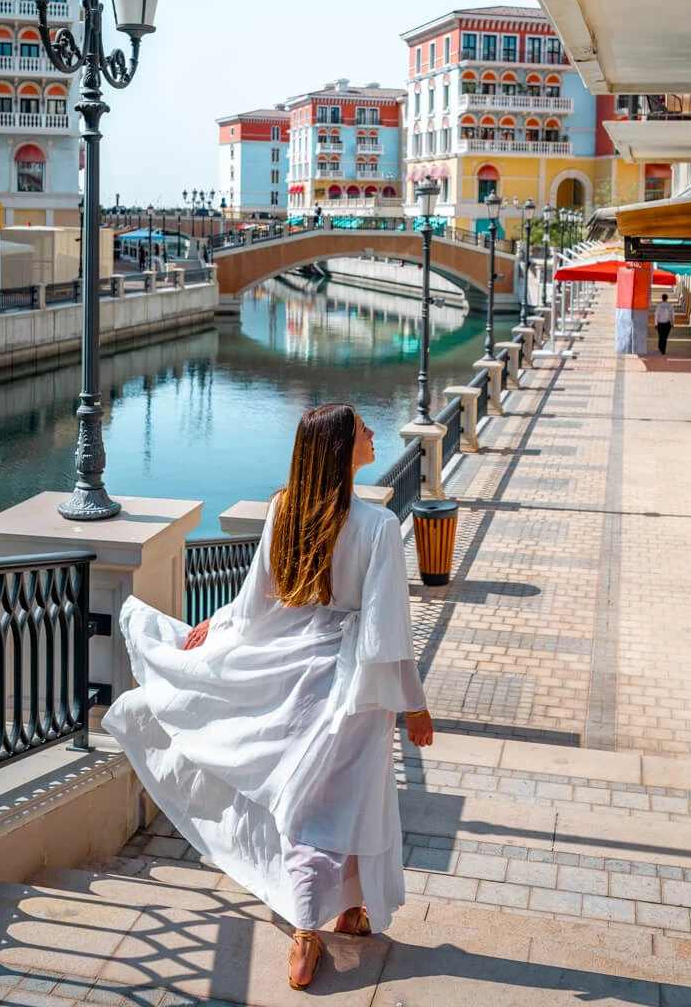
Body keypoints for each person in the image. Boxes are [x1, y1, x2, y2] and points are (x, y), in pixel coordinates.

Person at [102, 404, 433, 992]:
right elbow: (387, 630)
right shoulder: (379, 526)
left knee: (307, 804)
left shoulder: (285, 510)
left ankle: (342, 913)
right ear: (341, 449)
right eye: (362, 429)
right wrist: (415, 705)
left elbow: (256, 603)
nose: (371, 433)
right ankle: (310, 925)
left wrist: (215, 627)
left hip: (292, 673)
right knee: (354, 799)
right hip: (352, 686)